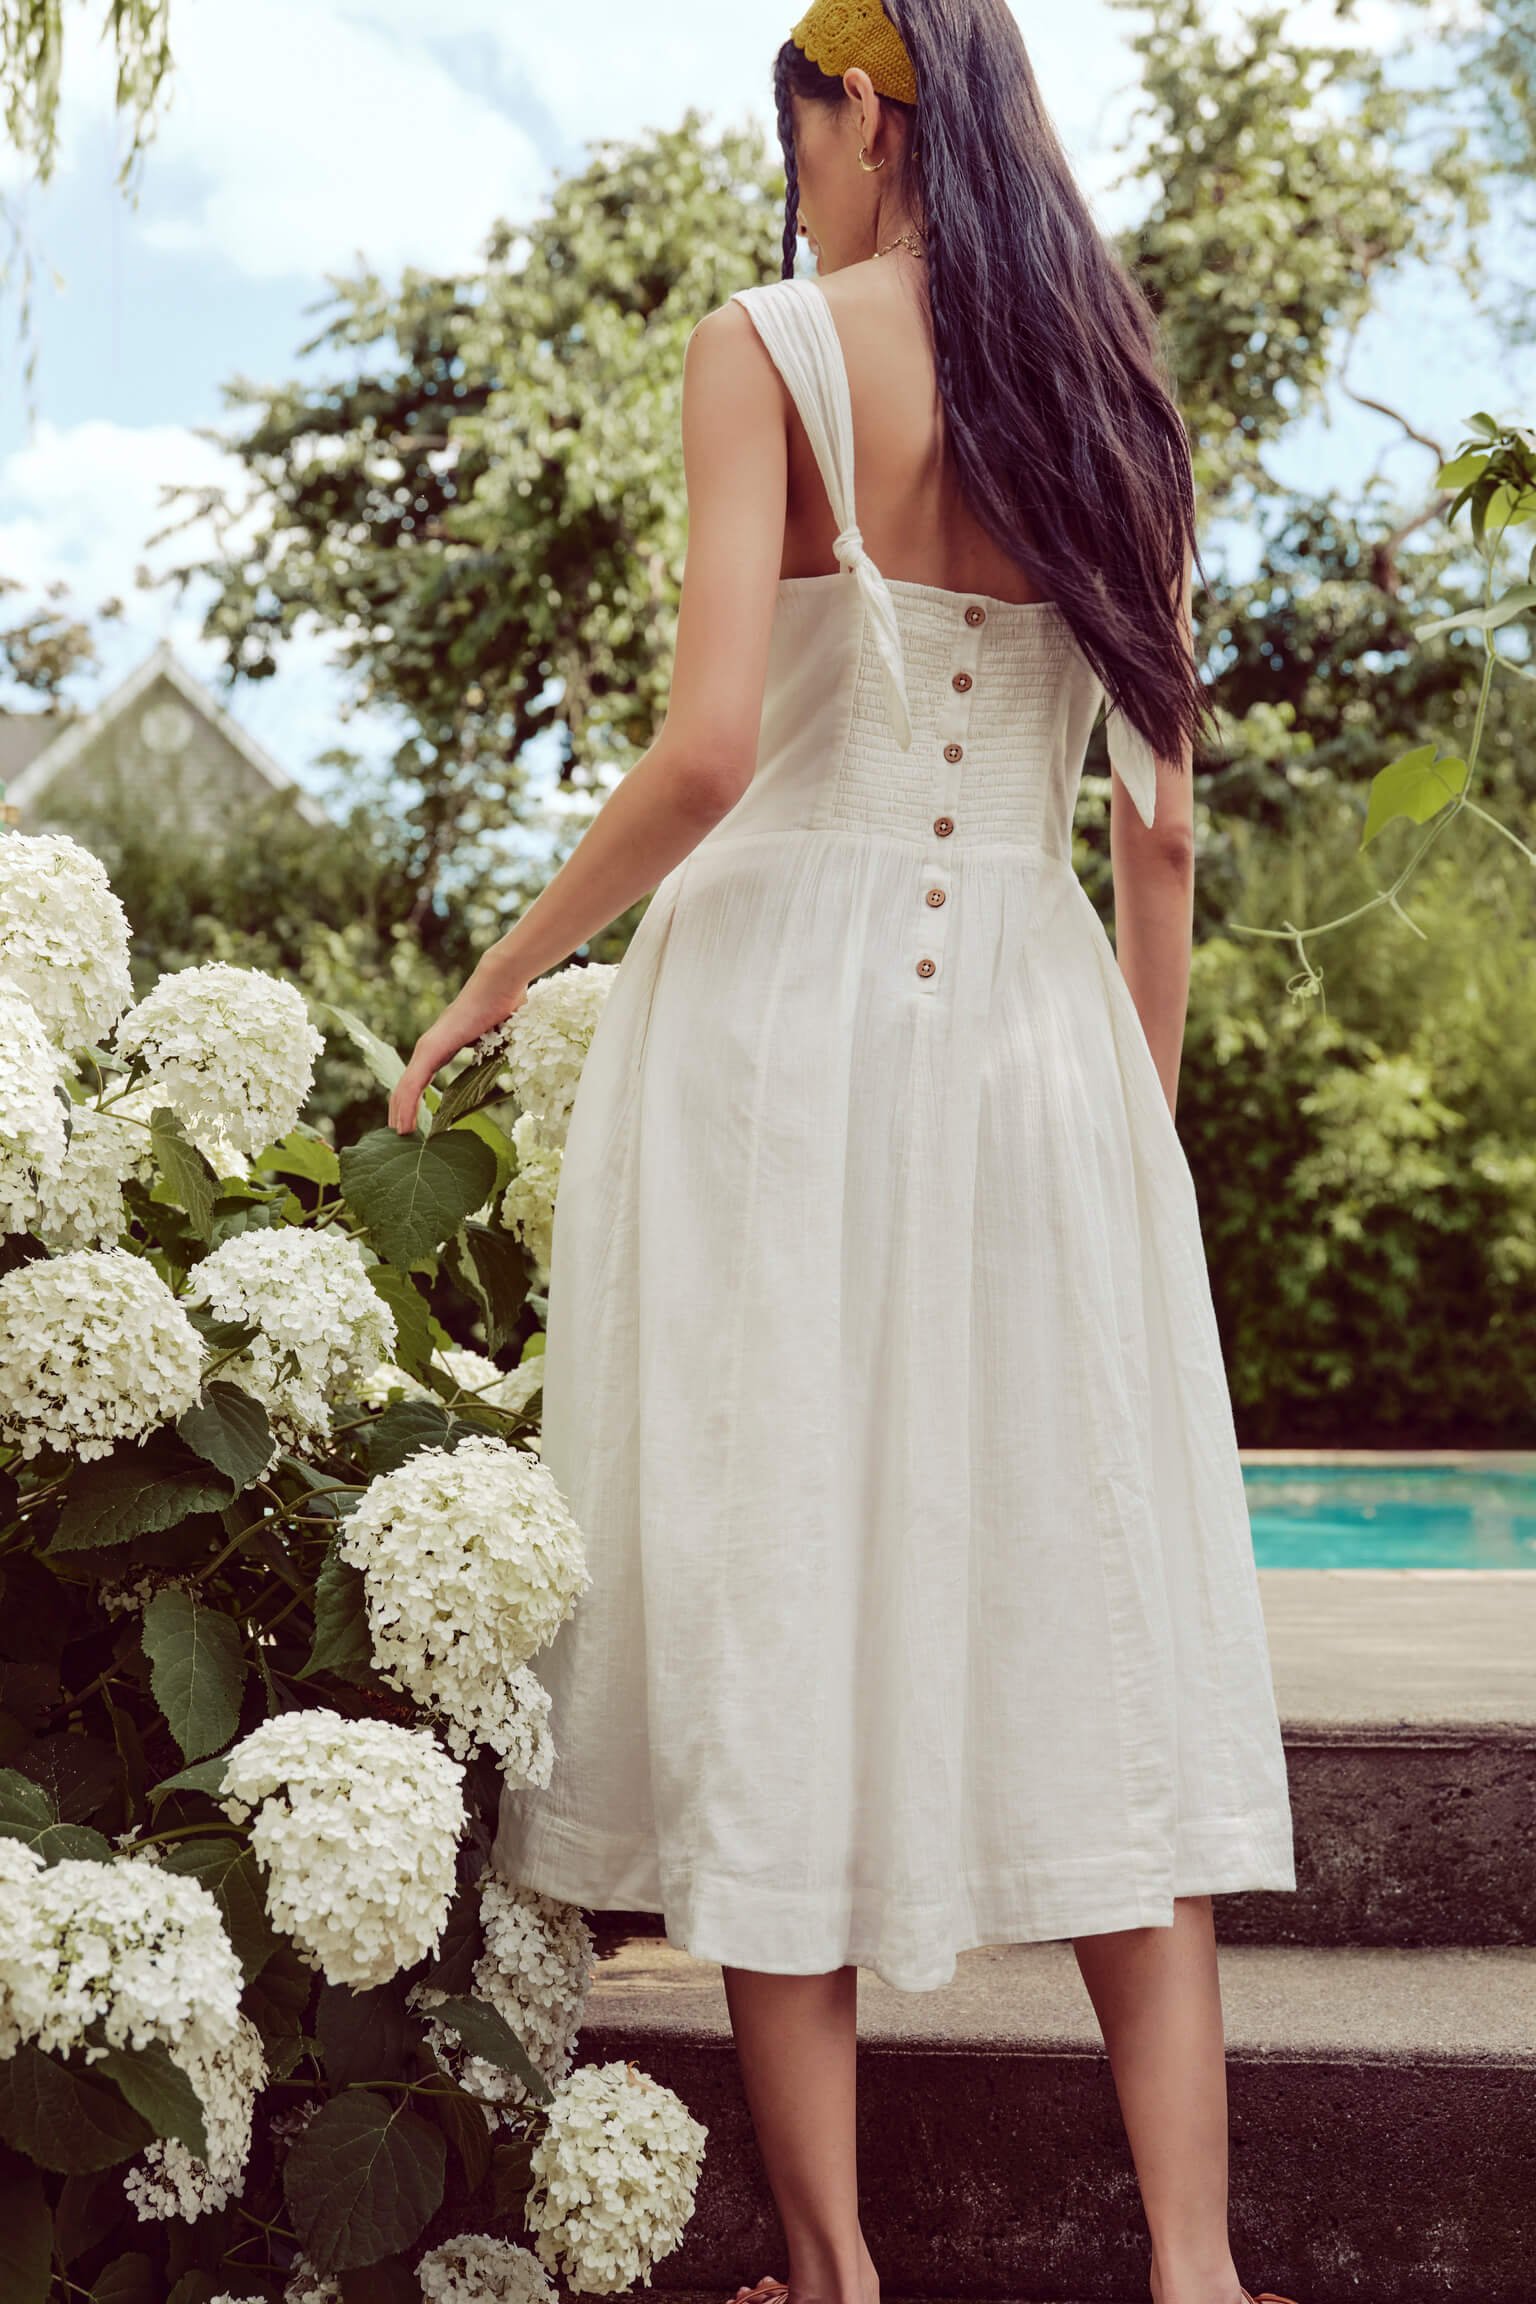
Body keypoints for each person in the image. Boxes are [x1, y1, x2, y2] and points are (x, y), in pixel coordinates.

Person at [388, 4, 1299, 2301]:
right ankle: (1195, 2269)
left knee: (770, 1582)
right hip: (1036, 1029)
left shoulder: (763, 347)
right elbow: (1163, 828)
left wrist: (494, 979)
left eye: (796, 118)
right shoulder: (1118, 387)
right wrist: (1132, 1130)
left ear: (860, 108)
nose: (792, 165)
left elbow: (709, 753)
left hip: (781, 1032)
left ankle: (838, 2264)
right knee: (1094, 1605)